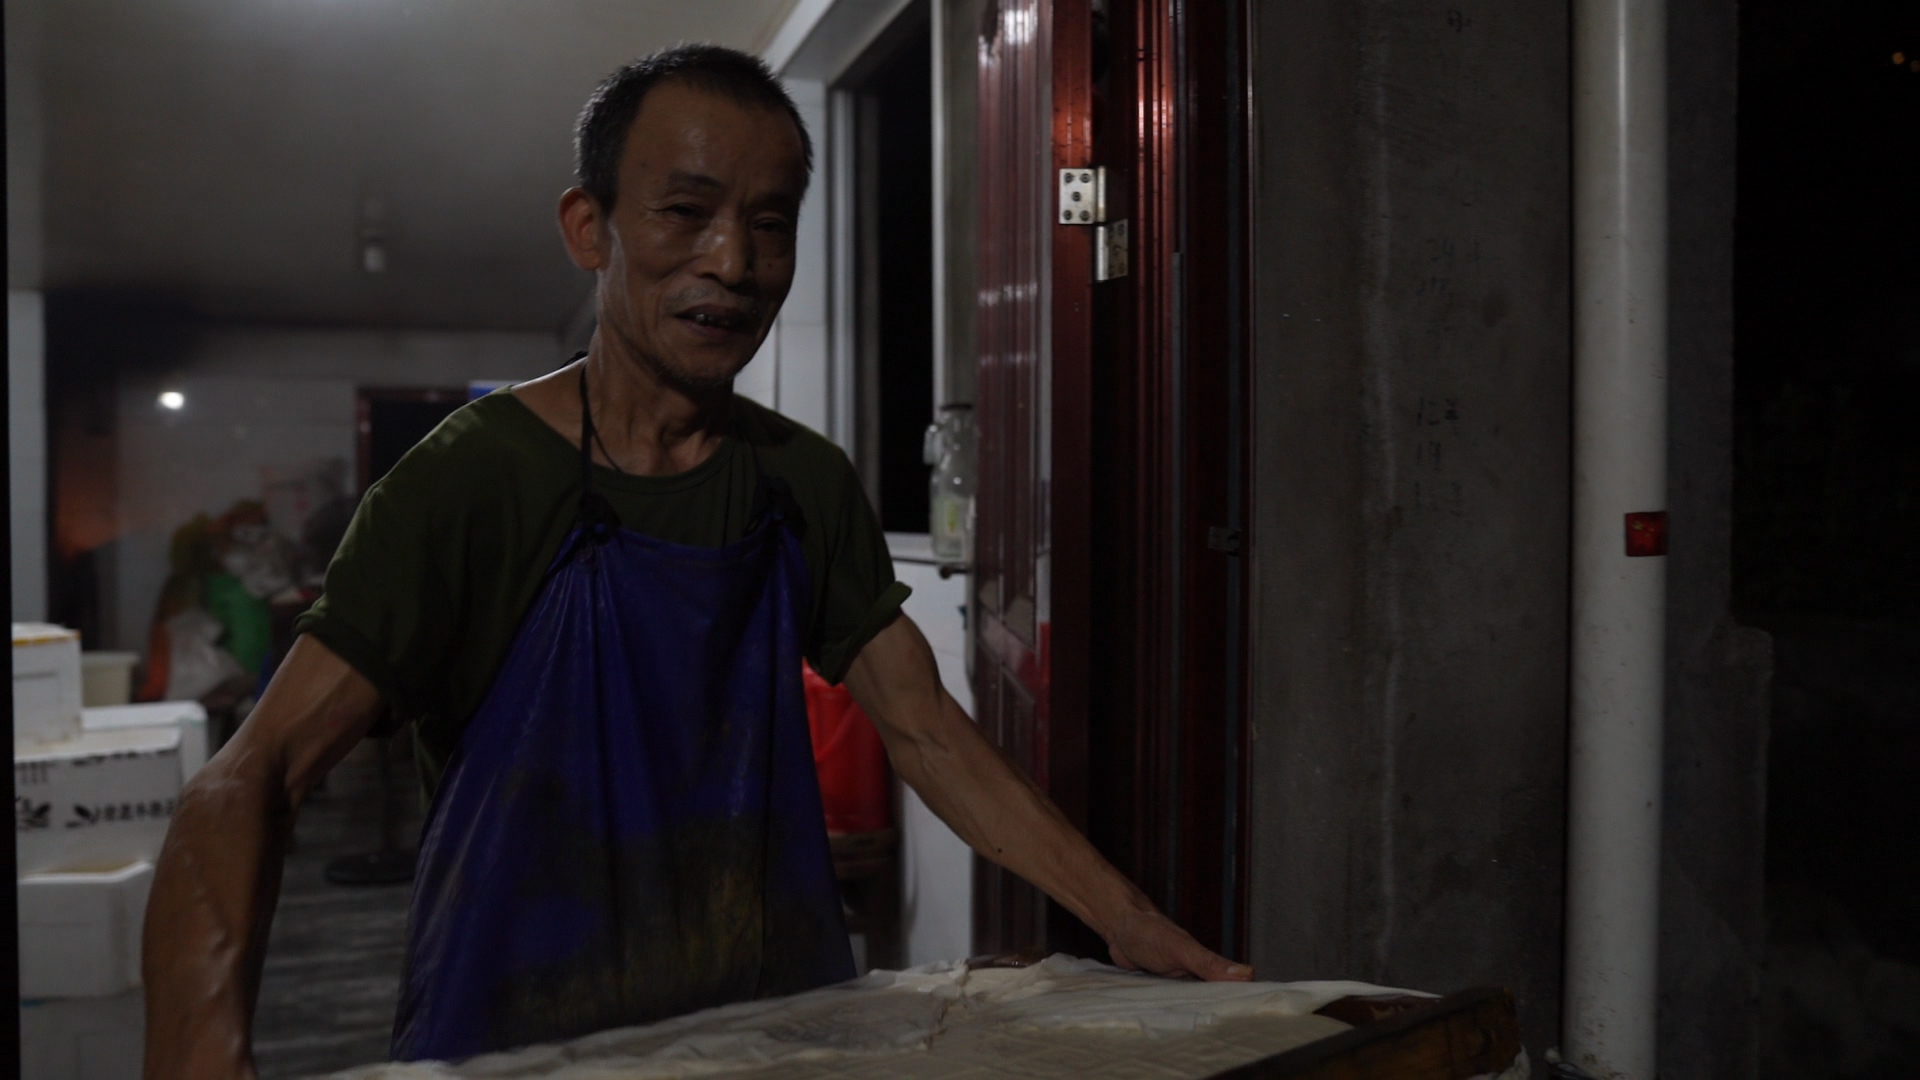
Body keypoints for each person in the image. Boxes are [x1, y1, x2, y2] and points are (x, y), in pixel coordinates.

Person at [141, 44, 1248, 1078]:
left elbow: (928, 733)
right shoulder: (469, 481)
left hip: (770, 1037)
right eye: (685, 212)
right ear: (589, 227)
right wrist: (199, 1050)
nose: (734, 262)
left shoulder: (799, 482)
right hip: (514, 1041)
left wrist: (1127, 919)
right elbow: (247, 782)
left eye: (770, 225)